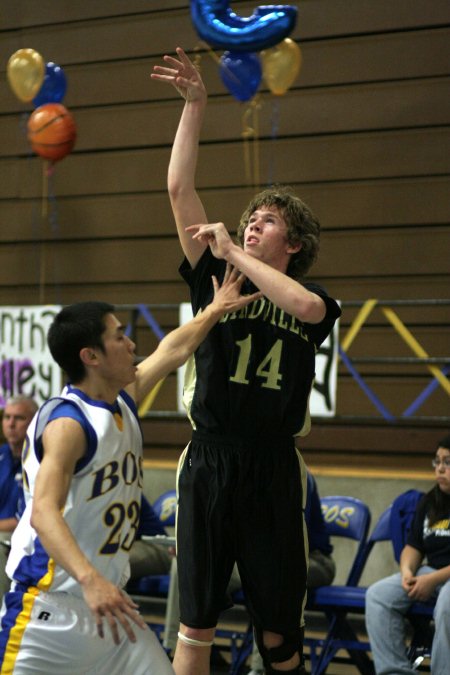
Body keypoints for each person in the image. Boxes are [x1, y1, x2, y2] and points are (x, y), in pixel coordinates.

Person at [151, 47, 341, 675]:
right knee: (195, 625)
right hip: (209, 460)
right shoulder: (216, 279)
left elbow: (307, 311)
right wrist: (196, 106)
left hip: (272, 469)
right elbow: (180, 189)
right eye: (250, 221)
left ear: (296, 245)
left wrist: (236, 244)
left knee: (280, 638)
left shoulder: (311, 301)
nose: (252, 227)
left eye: (267, 223)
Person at [0, 272, 260, 675]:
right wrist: (90, 580)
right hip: (49, 610)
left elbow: (173, 350)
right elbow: (43, 514)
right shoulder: (67, 423)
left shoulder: (123, 400)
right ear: (91, 356)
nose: (132, 344)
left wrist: (216, 308)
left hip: (112, 614)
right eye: (119, 336)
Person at [161, 469, 336, 673]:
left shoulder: (287, 471)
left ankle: (259, 667)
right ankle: (173, 650)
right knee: (184, 566)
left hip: (313, 559)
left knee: (266, 571)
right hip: (260, 557)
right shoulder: (222, 472)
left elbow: (282, 540)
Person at [365, 434, 450, 675]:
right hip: (431, 573)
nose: (440, 469)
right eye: (437, 461)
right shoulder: (429, 501)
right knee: (378, 596)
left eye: (448, 462)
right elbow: (413, 547)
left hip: (441, 579)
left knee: (447, 602)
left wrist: (431, 580)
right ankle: (395, 672)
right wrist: (407, 573)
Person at [0, 396, 39, 603]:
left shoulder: (41, 458)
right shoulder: (2, 456)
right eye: (7, 417)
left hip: (25, 536)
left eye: (19, 418)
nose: (11, 424)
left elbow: (28, 517)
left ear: (34, 422)